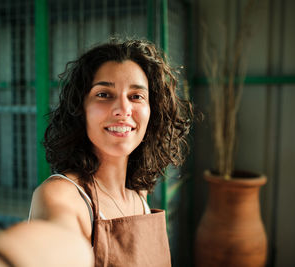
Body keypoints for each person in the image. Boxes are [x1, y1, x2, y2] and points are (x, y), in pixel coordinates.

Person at [29, 38, 193, 266]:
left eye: (136, 96)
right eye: (104, 94)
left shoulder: (139, 193)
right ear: (80, 108)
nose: (123, 110)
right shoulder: (60, 196)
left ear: (152, 112)